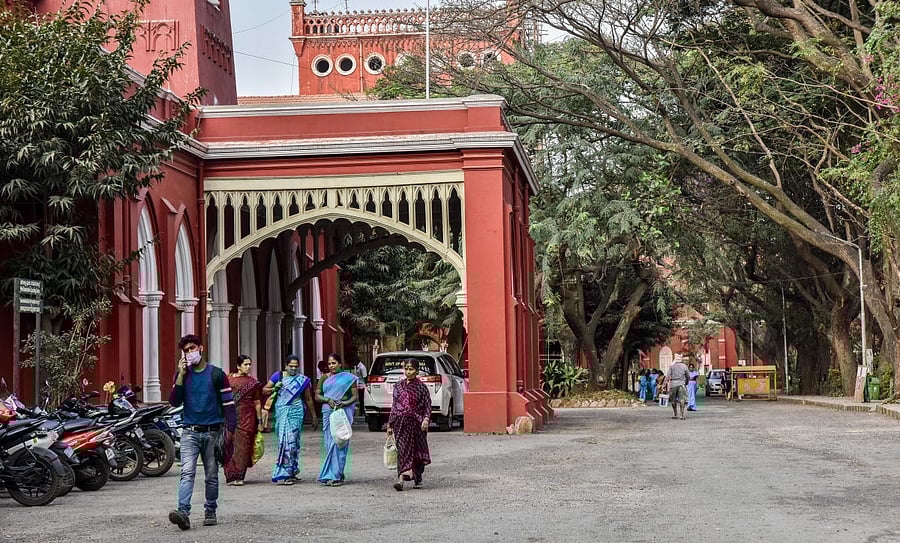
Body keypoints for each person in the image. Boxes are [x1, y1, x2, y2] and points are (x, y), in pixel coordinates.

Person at [167, 334, 236, 531]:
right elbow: (174, 401)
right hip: (189, 431)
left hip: (213, 432)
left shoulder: (217, 374)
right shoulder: (183, 375)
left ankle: (210, 510)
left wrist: (231, 430)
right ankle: (183, 512)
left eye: (192, 348)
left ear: (201, 348)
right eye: (186, 350)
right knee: (187, 472)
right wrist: (180, 375)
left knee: (211, 475)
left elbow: (229, 404)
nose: (190, 353)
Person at [263, 355, 318, 485]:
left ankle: (291, 471)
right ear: (286, 366)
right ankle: (284, 473)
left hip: (296, 411)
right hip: (282, 410)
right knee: (284, 441)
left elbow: (308, 399)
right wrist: (274, 387)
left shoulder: (302, 380)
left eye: (296, 366)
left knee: (293, 441)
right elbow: (264, 390)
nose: (293, 369)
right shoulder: (278, 376)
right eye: (291, 366)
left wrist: (314, 416)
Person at [386, 359, 432, 491]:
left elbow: (427, 405)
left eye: (411, 369)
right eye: (406, 368)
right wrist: (390, 424)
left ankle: (418, 477)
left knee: (417, 452)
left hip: (417, 424)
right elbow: (394, 407)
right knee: (402, 451)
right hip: (401, 424)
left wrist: (426, 419)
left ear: (417, 371)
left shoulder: (421, 387)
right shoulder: (398, 386)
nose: (408, 372)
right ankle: (400, 480)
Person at [316, 353, 358, 486]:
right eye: (329, 364)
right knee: (330, 443)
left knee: (340, 442)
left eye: (334, 363)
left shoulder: (348, 378)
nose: (331, 366)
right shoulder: (324, 378)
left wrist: (344, 403)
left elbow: (355, 396)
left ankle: (336, 475)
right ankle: (335, 472)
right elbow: (317, 395)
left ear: (340, 364)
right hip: (328, 412)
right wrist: (327, 400)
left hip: (342, 412)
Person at [224, 355, 261, 486]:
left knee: (243, 446)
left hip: (247, 418)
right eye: (245, 364)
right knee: (229, 444)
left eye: (249, 364)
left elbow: (257, 402)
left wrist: (260, 421)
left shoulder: (253, 382)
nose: (248, 367)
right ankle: (230, 475)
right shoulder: (228, 379)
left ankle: (239, 476)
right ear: (238, 366)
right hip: (231, 416)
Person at [663, 353, 691, 420]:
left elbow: (667, 376)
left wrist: (664, 385)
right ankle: (681, 415)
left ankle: (675, 414)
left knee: (673, 400)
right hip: (682, 384)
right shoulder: (684, 366)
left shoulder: (672, 366)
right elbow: (688, 376)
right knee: (682, 399)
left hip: (673, 384)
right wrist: (686, 382)